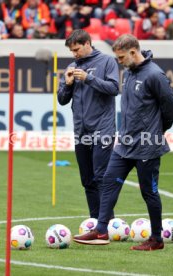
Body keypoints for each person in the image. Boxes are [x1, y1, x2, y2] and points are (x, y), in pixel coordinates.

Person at [73, 34, 173, 251]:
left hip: (148, 145)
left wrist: (158, 131)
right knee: (109, 180)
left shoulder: (155, 75)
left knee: (149, 192)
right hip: (125, 143)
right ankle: (101, 230)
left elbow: (170, 107)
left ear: (133, 52)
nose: (118, 62)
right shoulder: (129, 72)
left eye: (121, 57)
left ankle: (157, 239)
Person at [57, 29, 119, 219]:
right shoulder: (72, 66)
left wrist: (88, 78)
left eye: (76, 49)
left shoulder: (107, 61)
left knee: (101, 177)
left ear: (87, 44)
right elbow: (61, 100)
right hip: (81, 131)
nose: (74, 54)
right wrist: (67, 84)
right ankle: (95, 221)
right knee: (87, 180)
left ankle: (107, 222)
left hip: (103, 129)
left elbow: (114, 88)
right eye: (72, 51)